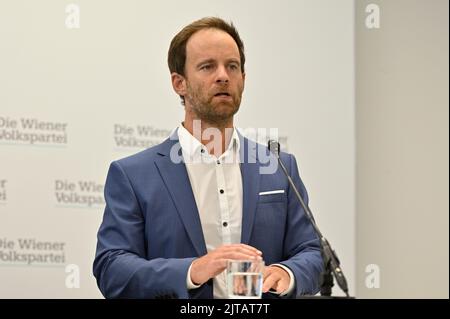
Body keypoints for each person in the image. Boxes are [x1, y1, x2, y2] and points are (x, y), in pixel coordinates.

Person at [93, 17, 323, 299]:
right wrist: (192, 271)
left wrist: (287, 274)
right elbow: (112, 268)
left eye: (232, 66)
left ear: (243, 80)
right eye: (207, 66)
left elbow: (311, 252)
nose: (223, 76)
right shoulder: (133, 175)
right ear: (180, 83)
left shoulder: (279, 167)